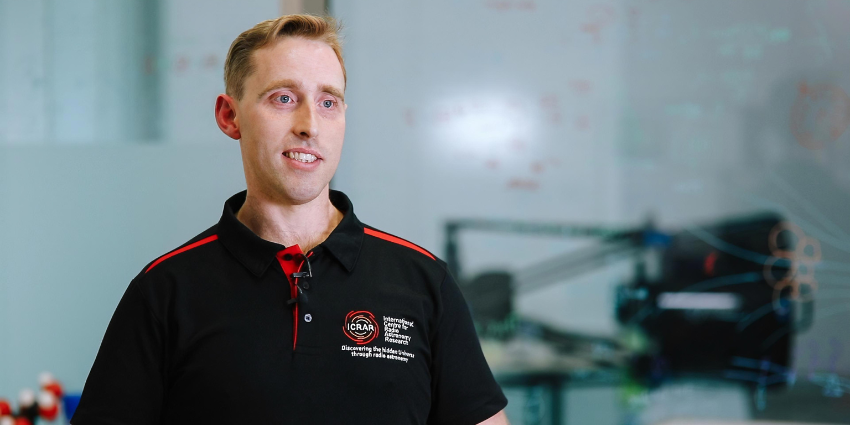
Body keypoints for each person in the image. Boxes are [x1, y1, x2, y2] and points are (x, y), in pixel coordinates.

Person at [71, 14, 509, 425]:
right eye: (284, 98)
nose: (310, 125)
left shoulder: (423, 282)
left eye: (328, 102)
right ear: (230, 115)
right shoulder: (164, 292)